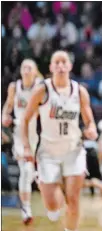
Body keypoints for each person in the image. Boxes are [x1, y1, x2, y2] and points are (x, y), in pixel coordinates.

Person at [21, 50, 98, 231]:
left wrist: (91, 130)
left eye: (64, 62)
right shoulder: (42, 90)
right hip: (48, 151)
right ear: (51, 67)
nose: (61, 66)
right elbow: (25, 120)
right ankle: (49, 190)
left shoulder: (79, 91)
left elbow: (89, 121)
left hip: (73, 149)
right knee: (52, 205)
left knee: (73, 199)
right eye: (57, 62)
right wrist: (26, 147)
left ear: (70, 66)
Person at [2, 59, 42, 225]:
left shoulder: (40, 87)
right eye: (23, 67)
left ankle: (36, 174)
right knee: (25, 171)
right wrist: (4, 116)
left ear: (34, 71)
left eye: (29, 68)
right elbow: (8, 106)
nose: (26, 70)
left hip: (38, 134)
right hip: (20, 135)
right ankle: (26, 209)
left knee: (30, 172)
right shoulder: (14, 87)